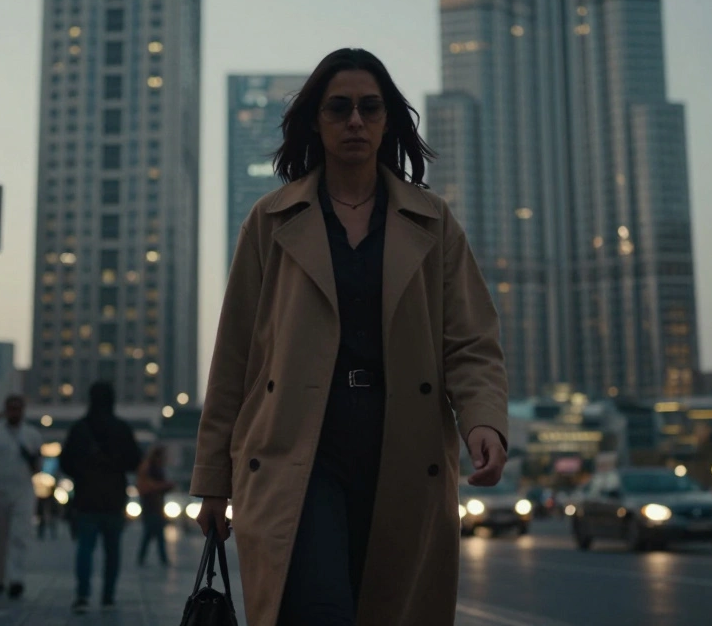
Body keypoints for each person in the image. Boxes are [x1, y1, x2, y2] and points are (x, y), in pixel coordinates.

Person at [191, 47, 510, 626]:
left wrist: (483, 420)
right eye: (339, 109)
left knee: (387, 607)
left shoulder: (433, 222)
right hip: (297, 448)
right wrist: (214, 481)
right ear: (316, 119)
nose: (356, 121)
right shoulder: (269, 221)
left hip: (405, 448)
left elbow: (469, 341)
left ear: (389, 119)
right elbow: (235, 356)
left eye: (370, 107)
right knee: (316, 607)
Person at [60, 381, 142, 614]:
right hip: (114, 498)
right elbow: (135, 461)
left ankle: (83, 595)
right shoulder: (121, 429)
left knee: (85, 548)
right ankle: (108, 597)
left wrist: (83, 470)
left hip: (86, 497)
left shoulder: (80, 429)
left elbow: (65, 463)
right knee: (112, 551)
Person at [0, 395, 44, 599]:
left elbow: (38, 464)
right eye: (11, 408)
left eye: (18, 408)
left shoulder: (31, 435)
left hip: (22, 491)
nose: (14, 412)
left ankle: (16, 579)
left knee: (19, 536)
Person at [135, 444, 175, 566]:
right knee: (155, 534)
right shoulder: (148, 468)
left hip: (156, 506)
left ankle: (147, 558)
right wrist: (164, 486)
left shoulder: (156, 468)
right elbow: (146, 486)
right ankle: (161, 559)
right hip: (151, 506)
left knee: (152, 534)